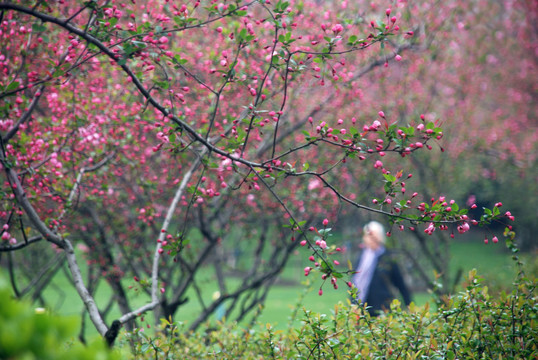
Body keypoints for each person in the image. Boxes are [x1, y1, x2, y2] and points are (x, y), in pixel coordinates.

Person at [351, 221, 411, 316]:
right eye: (368, 236)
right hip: (360, 307)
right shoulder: (362, 256)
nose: (371, 240)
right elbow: (355, 281)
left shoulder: (387, 258)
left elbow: (400, 284)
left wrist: (409, 305)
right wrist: (353, 303)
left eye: (374, 237)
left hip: (380, 309)